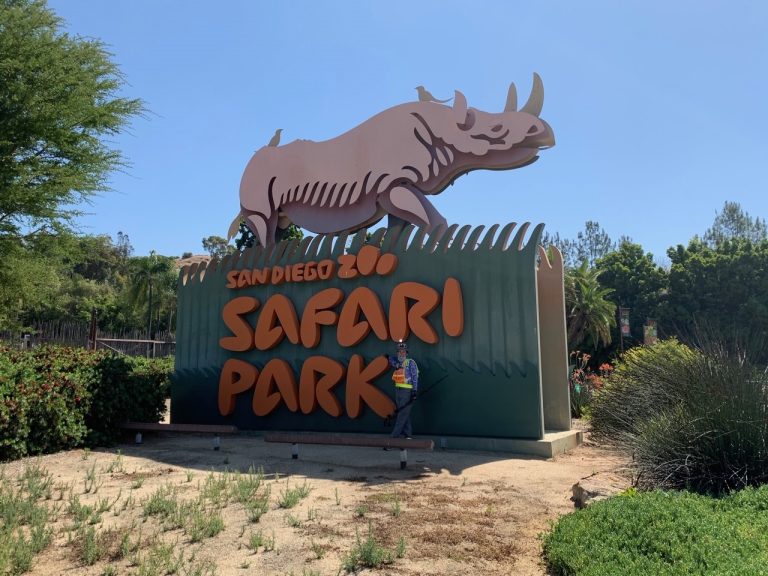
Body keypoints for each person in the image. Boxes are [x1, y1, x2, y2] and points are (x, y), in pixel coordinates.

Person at [386, 341, 419, 439]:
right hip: (398, 390)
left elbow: (415, 377)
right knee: (404, 413)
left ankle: (394, 437)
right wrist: (391, 360)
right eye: (400, 352)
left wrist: (414, 391)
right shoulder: (397, 362)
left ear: (407, 353)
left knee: (402, 414)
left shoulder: (410, 363)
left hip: (407, 391)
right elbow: (391, 359)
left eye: (404, 352)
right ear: (397, 353)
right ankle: (408, 434)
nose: (402, 353)